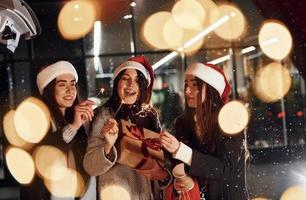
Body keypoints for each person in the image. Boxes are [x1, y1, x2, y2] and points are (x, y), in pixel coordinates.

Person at [83, 56, 170, 200]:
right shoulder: (103, 115)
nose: (131, 84)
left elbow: (160, 163)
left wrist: (164, 175)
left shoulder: (150, 115)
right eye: (125, 78)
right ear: (117, 83)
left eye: (137, 80)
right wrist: (107, 146)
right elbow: (90, 167)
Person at [160, 62, 249, 200]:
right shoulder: (182, 123)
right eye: (186, 84)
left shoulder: (230, 121)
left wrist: (181, 150)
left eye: (195, 85)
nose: (188, 91)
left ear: (211, 89)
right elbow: (178, 167)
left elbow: (225, 169)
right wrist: (180, 181)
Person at [22, 60, 95, 200]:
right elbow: (43, 153)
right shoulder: (36, 116)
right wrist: (74, 126)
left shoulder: (74, 118)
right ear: (49, 89)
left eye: (73, 84)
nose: (70, 90)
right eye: (62, 84)